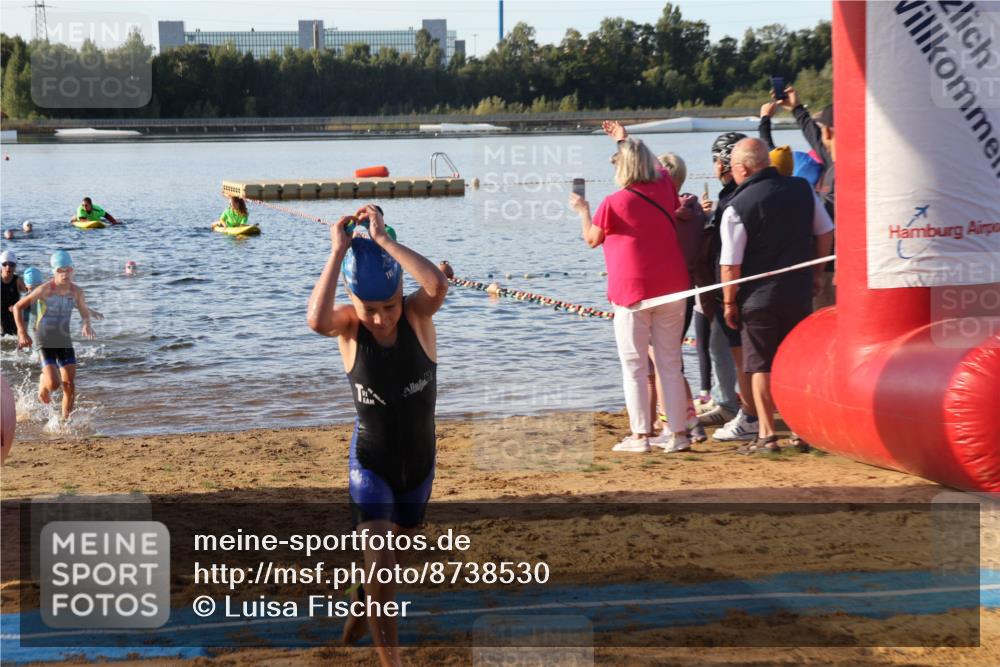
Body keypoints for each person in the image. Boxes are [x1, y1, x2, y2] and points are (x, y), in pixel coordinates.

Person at [307, 204, 447, 666]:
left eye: (389, 306)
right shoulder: (348, 327)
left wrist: (384, 240)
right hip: (371, 464)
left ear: (400, 294)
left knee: (391, 559)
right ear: (353, 299)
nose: (382, 318)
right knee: (382, 564)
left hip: (419, 466)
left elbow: (436, 285)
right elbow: (315, 319)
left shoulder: (417, 317)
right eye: (371, 309)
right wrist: (337, 252)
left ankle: (360, 601)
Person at [568, 121, 691, 454]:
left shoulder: (614, 202)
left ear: (622, 167)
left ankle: (640, 436)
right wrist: (625, 139)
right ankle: (678, 434)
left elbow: (592, 239)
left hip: (632, 290)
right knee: (670, 362)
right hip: (673, 286)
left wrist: (583, 211)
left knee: (634, 364)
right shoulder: (666, 186)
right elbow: (654, 166)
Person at [719, 139, 834, 453]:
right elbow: (825, 232)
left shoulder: (737, 205)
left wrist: (729, 301)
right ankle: (801, 431)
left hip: (758, 297)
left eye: (733, 167)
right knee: (795, 361)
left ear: (742, 168)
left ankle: (768, 434)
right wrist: (815, 273)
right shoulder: (801, 189)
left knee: (760, 365)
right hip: (797, 291)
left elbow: (730, 263)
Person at [698, 133, 759, 441]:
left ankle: (744, 411)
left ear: (724, 163)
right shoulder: (744, 192)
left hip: (733, 287)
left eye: (715, 161)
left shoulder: (732, 198)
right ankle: (736, 404)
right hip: (743, 285)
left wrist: (727, 299)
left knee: (737, 353)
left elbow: (728, 249)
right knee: (727, 348)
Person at [14, 250, 97, 419]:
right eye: (60, 270)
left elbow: (83, 311)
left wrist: (87, 323)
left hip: (64, 340)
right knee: (54, 383)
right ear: (54, 271)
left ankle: (65, 421)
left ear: (72, 270)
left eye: (68, 269)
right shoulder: (45, 289)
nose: (65, 273)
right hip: (43, 339)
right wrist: (22, 333)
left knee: (69, 384)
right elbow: (17, 307)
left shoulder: (77, 292)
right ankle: (43, 384)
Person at [1, 251, 27, 336]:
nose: (8, 267)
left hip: (14, 314)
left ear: (15, 266)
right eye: (5, 264)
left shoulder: (18, 280)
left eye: (11, 264)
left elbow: (28, 296)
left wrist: (18, 306)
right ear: (1, 265)